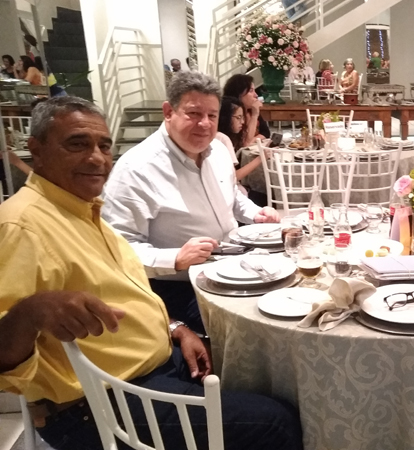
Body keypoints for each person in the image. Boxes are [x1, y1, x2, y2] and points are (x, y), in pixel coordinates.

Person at [0, 96, 303, 450]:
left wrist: (175, 329)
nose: (96, 158)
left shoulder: (83, 210)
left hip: (154, 365)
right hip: (98, 404)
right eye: (77, 144)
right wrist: (32, 311)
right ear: (36, 150)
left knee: (263, 376)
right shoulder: (22, 226)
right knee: (276, 421)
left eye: (104, 146)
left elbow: (125, 292)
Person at [102, 72, 281, 334]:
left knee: (289, 294)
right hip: (179, 286)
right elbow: (118, 250)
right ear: (168, 112)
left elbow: (232, 197)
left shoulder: (217, 151)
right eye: (194, 114)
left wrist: (256, 213)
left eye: (212, 115)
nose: (205, 124)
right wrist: (175, 258)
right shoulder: (136, 169)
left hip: (232, 266)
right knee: (259, 325)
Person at [216, 96, 263, 184]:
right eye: (238, 117)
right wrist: (261, 158)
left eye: (243, 117)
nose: (242, 122)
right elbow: (234, 177)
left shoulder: (219, 136)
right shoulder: (223, 139)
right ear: (225, 118)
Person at [222, 73, 269, 147]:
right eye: (251, 91)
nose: (256, 95)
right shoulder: (231, 113)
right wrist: (254, 115)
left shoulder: (251, 109)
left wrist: (252, 141)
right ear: (238, 93)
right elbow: (244, 143)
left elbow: (265, 133)